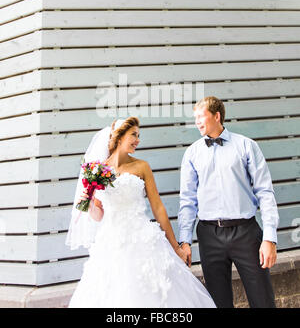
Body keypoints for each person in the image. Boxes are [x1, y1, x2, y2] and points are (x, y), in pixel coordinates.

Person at [66, 116, 216, 308]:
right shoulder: (98, 170)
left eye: (138, 135)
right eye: (133, 135)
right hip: (111, 244)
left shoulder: (141, 166)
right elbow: (98, 215)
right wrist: (87, 203)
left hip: (143, 239)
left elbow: (158, 208)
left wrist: (175, 247)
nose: (138, 140)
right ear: (119, 137)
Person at [178, 96, 279, 308]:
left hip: (245, 233)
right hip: (209, 234)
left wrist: (269, 238)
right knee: (218, 302)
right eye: (194, 117)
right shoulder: (192, 153)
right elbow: (187, 199)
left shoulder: (246, 146)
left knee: (262, 299)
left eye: (200, 116)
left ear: (217, 116)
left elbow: (265, 192)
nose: (197, 121)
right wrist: (184, 240)